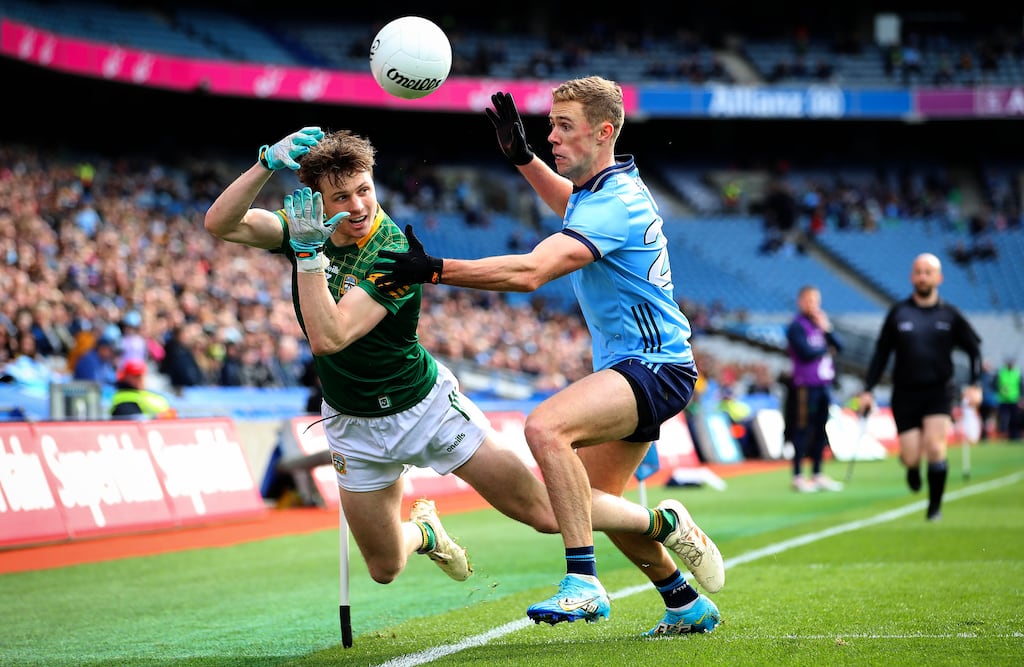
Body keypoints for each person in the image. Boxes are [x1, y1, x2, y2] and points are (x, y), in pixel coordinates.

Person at [204, 123, 722, 636]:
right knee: (384, 567)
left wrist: (309, 255)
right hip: (350, 422)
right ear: (316, 201)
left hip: (425, 409)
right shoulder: (305, 229)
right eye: (342, 196)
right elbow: (220, 224)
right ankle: (426, 533)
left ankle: (666, 525)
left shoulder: (390, 250)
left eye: (365, 189)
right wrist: (266, 164)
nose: (360, 206)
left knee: (545, 512)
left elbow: (330, 337)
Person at [373, 77, 725, 631]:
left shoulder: (614, 204)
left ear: (604, 131)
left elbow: (533, 272)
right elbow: (572, 204)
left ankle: (584, 583)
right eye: (550, 126)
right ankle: (683, 598)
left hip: (655, 366)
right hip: (638, 366)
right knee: (585, 504)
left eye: (565, 127)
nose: (552, 136)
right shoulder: (605, 190)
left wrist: (436, 269)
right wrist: (525, 159)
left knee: (545, 429)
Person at [858, 253, 982, 521]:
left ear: (939, 277)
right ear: (911, 276)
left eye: (928, 272)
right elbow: (881, 354)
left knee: (937, 448)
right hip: (904, 394)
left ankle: (934, 508)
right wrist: (867, 389)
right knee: (912, 456)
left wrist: (975, 384)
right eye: (918, 271)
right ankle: (912, 468)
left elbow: (974, 350)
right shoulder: (899, 313)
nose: (923, 276)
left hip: (938, 392)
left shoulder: (950, 315)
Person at [785, 285, 844, 492]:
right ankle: (798, 475)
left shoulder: (820, 325)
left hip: (824, 385)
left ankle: (818, 474)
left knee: (820, 429)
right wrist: (826, 348)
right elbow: (805, 352)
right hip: (805, 386)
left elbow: (840, 346)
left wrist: (827, 330)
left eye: (815, 300)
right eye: (808, 300)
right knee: (802, 429)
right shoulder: (797, 326)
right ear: (800, 302)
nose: (812, 305)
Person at [110, 359, 178, 420]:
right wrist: (157, 418)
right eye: (136, 376)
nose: (140, 380)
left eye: (141, 376)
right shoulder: (123, 398)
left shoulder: (148, 393)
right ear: (127, 377)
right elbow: (132, 421)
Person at [994, 357, 1022, 441]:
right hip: (1003, 400)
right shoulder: (1001, 372)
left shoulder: (1017, 373)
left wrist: (1021, 398)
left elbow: (1021, 386)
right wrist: (1000, 390)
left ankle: (1015, 436)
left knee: (1015, 419)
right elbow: (995, 384)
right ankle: (1003, 435)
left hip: (1014, 399)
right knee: (1003, 418)